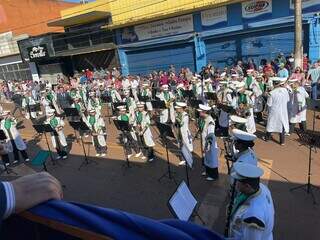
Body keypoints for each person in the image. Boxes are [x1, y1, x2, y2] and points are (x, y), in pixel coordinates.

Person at [228, 162, 274, 239]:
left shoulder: (253, 215)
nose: (235, 184)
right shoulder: (263, 188)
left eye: (237, 182)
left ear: (247, 186)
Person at [264, 78, 290, 145]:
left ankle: (267, 138)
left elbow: (269, 104)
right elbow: (288, 100)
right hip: (283, 111)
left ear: (273, 84)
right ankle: (282, 141)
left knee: (271, 124)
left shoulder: (271, 93)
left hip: (274, 111)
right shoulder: (285, 91)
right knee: (282, 124)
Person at [198, 104, 218, 181]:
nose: (199, 113)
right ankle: (207, 172)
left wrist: (207, 147)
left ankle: (214, 175)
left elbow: (210, 136)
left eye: (200, 112)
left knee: (211, 159)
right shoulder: (204, 119)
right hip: (204, 142)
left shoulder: (210, 122)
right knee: (206, 158)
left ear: (204, 112)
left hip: (210, 144)